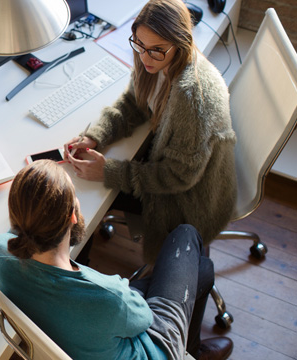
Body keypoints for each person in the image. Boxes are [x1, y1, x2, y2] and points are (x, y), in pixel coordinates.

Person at [0, 160, 233, 360]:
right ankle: (189, 352)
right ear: (73, 216)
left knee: (204, 269)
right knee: (186, 236)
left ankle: (195, 349)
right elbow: (144, 317)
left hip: (76, 327)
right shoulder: (110, 297)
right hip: (154, 349)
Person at [63, 0, 236, 264]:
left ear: (181, 43)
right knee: (81, 190)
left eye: (156, 50)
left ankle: (78, 281)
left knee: (81, 203)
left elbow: (179, 176)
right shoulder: (153, 61)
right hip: (174, 166)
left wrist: (109, 171)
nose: (144, 57)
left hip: (190, 200)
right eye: (139, 45)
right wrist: (96, 135)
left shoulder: (193, 96)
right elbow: (134, 103)